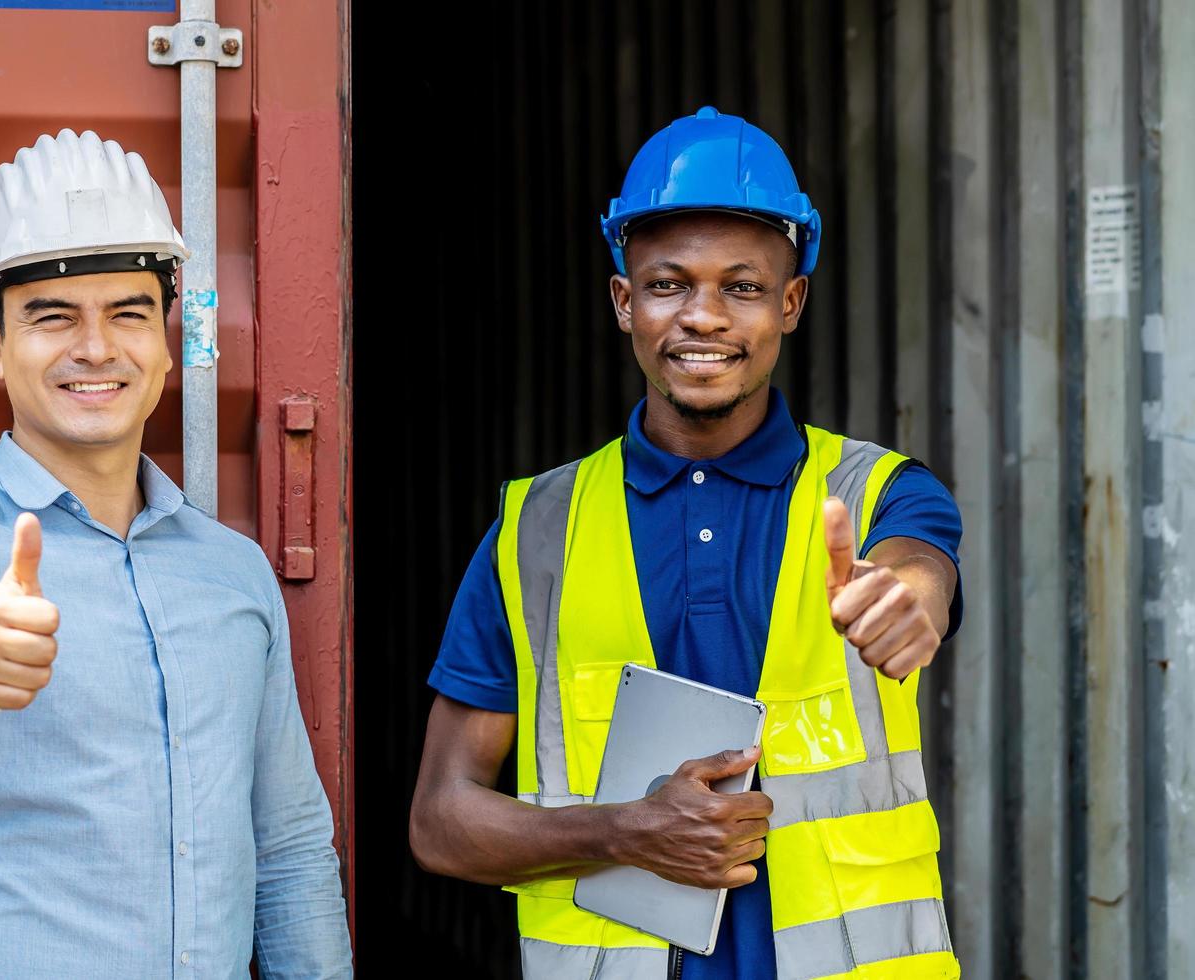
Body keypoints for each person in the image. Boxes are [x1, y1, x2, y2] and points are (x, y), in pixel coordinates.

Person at [408, 107, 962, 979]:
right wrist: (624, 830)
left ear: (791, 302)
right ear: (625, 303)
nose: (703, 317)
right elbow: (440, 823)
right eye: (669, 285)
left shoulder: (878, 493)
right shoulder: (535, 531)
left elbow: (916, 572)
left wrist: (909, 599)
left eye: (741, 287)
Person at [0, 130, 352, 979]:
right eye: (53, 316)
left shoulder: (234, 571)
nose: (97, 347)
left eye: (129, 314)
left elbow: (286, 850)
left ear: (166, 342)